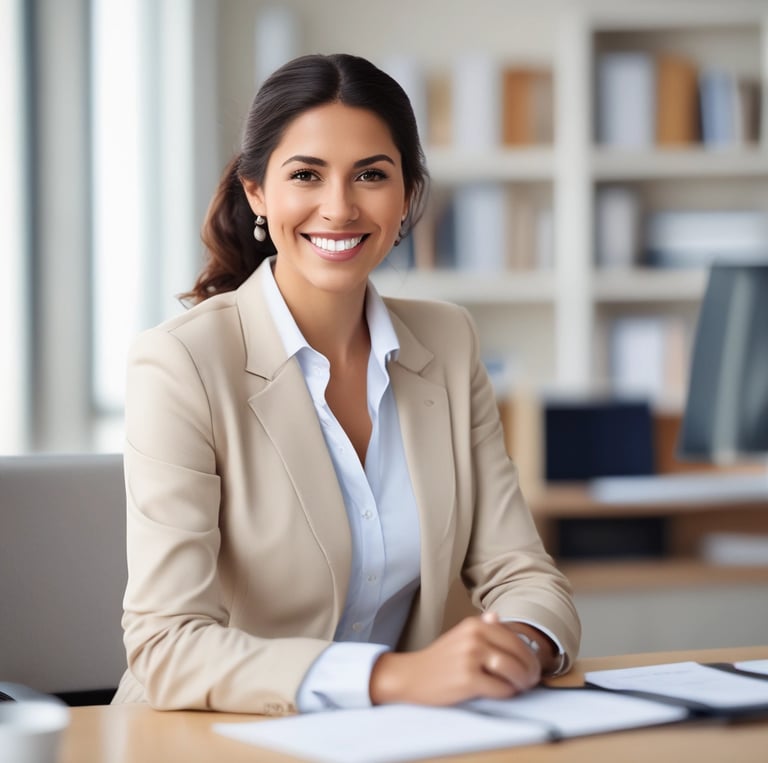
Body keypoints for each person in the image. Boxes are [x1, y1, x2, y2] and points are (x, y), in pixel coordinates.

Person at [112, 52, 580, 715]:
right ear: (257, 193)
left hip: (402, 736)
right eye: (306, 175)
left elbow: (523, 573)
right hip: (209, 736)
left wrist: (518, 645)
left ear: (408, 195)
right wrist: (391, 677)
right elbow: (166, 643)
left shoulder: (448, 342)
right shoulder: (180, 363)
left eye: (371, 175)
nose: (339, 207)